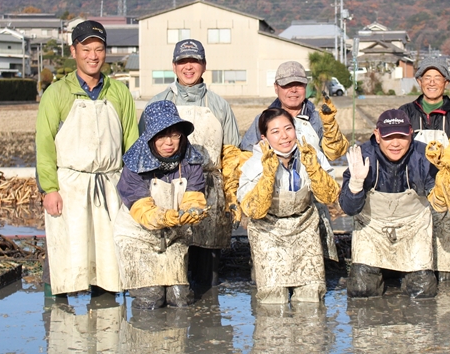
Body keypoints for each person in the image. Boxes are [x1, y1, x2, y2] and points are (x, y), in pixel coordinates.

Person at [36, 20, 139, 297]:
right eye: (86, 49)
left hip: (110, 185)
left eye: (99, 49)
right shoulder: (56, 93)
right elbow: (44, 146)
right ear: (74, 51)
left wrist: (133, 190)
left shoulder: (119, 93)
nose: (93, 56)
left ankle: (105, 325)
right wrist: (50, 189)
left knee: (107, 263)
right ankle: (57, 323)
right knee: (64, 258)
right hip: (69, 186)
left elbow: (131, 144)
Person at [339, 109, 450, 298]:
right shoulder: (362, 156)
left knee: (423, 291)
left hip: (414, 228)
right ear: (377, 136)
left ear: (411, 133)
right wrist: (355, 184)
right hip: (372, 230)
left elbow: (436, 202)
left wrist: (443, 190)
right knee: (362, 290)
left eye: (401, 136)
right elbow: (349, 208)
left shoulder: (424, 155)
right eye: (388, 137)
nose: (395, 143)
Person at [141, 39, 243, 291]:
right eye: (183, 62)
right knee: (173, 267)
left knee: (207, 274)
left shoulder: (219, 105)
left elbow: (231, 155)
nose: (189, 67)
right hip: (168, 191)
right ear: (174, 66)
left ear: (204, 65)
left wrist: (232, 197)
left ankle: (206, 322)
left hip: (211, 191)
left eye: (194, 61)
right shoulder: (157, 103)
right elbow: (143, 153)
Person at [239, 60, 349, 261]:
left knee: (312, 267)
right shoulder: (262, 120)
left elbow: (334, 153)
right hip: (271, 207)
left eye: (298, 85)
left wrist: (331, 127)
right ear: (276, 88)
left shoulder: (319, 118)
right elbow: (245, 159)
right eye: (287, 85)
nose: (293, 90)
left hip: (312, 203)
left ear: (305, 87)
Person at [237, 107, 340, 304]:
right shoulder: (255, 164)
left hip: (304, 228)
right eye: (275, 132)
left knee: (311, 298)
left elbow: (329, 196)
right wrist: (267, 176)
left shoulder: (311, 154)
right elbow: (253, 210)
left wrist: (314, 168)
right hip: (268, 232)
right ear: (264, 138)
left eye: (288, 129)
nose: (284, 137)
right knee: (273, 300)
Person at [113, 100, 209, 309]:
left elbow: (195, 194)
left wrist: (192, 210)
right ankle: (144, 339)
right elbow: (142, 209)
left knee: (180, 298)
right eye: (162, 135)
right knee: (151, 298)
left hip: (173, 236)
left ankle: (176, 340)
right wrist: (163, 217)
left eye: (175, 135)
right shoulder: (135, 165)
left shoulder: (190, 161)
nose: (170, 142)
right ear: (150, 137)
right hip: (138, 237)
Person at [399, 57, 450, 281]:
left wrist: (441, 163)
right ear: (419, 81)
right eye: (427, 78)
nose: (432, 83)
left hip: (444, 193)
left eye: (437, 78)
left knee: (448, 270)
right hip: (411, 194)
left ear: (446, 82)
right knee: (414, 268)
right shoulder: (406, 112)